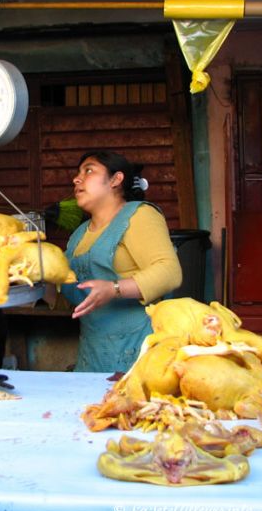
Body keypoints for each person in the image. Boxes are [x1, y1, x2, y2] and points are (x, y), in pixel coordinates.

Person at [62, 150, 182, 372]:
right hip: (93, 356)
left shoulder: (138, 216)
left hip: (140, 352)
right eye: (77, 173)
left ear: (116, 180)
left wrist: (114, 288)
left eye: (88, 171)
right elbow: (69, 289)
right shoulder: (79, 234)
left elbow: (169, 272)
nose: (76, 179)